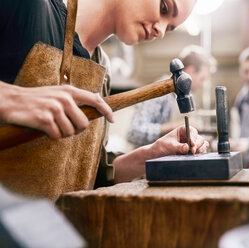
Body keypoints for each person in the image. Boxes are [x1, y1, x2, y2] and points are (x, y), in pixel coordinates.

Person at [0, 0, 208, 185]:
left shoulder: (101, 71)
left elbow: (92, 177)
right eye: (164, 7)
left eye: (170, 28)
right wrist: (9, 97)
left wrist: (153, 154)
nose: (160, 31)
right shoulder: (28, 6)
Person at [127, 45, 216, 147]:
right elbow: (133, 133)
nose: (202, 85)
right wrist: (176, 126)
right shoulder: (161, 92)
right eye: (202, 78)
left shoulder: (189, 94)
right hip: (148, 161)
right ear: (191, 71)